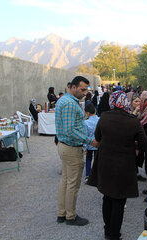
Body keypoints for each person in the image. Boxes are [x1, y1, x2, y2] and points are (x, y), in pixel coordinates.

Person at [87, 91, 147, 240]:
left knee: (107, 197)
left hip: (105, 164)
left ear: (112, 101)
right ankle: (114, 234)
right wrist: (132, 143)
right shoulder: (133, 121)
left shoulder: (104, 117)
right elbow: (145, 145)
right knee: (119, 201)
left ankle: (107, 230)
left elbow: (97, 137)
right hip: (124, 166)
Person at [55, 76, 99, 226]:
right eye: (82, 89)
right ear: (73, 87)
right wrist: (89, 140)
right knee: (72, 183)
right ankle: (70, 216)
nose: (85, 92)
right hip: (71, 148)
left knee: (66, 181)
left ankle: (62, 213)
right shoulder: (69, 104)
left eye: (86, 89)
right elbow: (69, 130)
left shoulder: (65, 100)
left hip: (66, 146)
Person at [127, 92, 146, 181]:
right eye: (136, 101)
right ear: (130, 102)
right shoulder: (128, 112)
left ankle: (137, 173)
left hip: (139, 137)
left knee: (138, 156)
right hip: (131, 138)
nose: (138, 103)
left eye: (139, 101)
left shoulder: (143, 112)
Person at [83, 103, 99, 181]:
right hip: (98, 144)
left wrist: (84, 148)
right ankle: (97, 175)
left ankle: (88, 175)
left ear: (87, 113)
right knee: (97, 160)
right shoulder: (100, 120)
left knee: (88, 159)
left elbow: (85, 135)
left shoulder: (86, 122)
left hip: (89, 144)